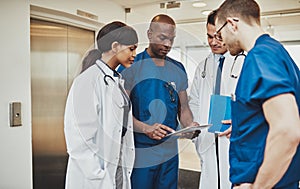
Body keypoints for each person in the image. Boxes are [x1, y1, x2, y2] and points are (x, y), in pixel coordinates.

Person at [215, 0, 300, 188]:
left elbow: (288, 130)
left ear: (232, 24)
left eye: (219, 34)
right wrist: (246, 125)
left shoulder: (260, 57)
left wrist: (258, 186)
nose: (221, 41)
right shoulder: (276, 51)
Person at [121, 14, 199, 189]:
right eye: (162, 38)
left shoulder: (177, 68)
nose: (168, 45)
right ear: (149, 34)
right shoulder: (131, 66)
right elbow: (121, 112)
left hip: (170, 151)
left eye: (171, 39)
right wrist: (146, 128)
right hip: (141, 150)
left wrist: (189, 125)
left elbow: (183, 107)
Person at [64, 21, 138, 189]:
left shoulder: (116, 80)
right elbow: (78, 141)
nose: (135, 54)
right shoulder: (87, 81)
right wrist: (99, 177)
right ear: (115, 46)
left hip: (116, 166)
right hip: (94, 177)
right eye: (132, 48)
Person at [189, 10, 244, 189]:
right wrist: (194, 125)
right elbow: (195, 101)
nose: (213, 42)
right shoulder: (203, 66)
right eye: (209, 36)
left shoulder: (244, 61)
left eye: (218, 37)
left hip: (234, 143)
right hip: (208, 144)